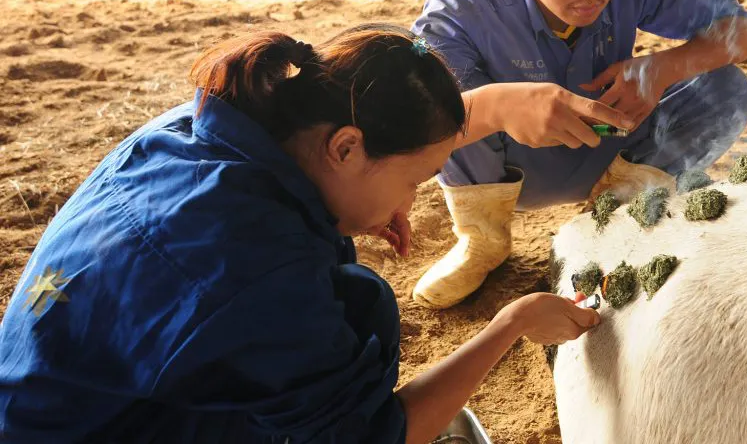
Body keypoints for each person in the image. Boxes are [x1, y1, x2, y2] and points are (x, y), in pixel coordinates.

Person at [0, 25, 600, 444]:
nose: (409, 203)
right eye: (414, 179)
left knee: (354, 296)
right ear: (345, 148)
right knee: (361, 308)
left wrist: (360, 202)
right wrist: (511, 326)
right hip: (101, 429)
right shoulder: (255, 271)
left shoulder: (200, 127)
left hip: (50, 403)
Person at [412, 0, 747, 309]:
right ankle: (484, 240)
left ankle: (617, 212)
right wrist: (501, 104)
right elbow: (416, 126)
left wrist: (663, 67)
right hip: (512, 168)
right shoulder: (463, 7)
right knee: (448, 104)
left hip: (612, 146)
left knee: (728, 88)